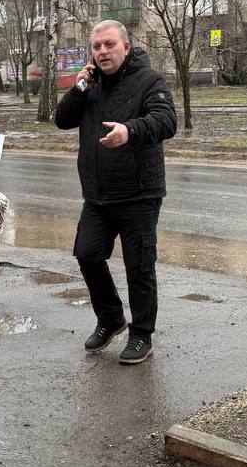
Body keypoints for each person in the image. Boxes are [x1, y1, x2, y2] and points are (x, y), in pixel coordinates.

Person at [55, 20, 177, 365]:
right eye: (96, 46)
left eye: (109, 44)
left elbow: (167, 120)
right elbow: (62, 120)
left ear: (126, 47)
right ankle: (110, 318)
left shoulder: (149, 80)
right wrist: (79, 88)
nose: (102, 51)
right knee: (87, 254)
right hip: (98, 195)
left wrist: (130, 130)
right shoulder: (89, 84)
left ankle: (142, 334)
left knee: (139, 266)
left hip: (139, 192)